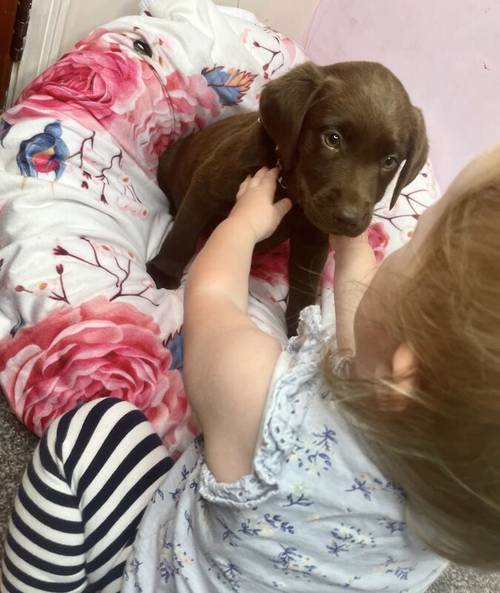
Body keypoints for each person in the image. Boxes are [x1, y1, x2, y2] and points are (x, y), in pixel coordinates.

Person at [3, 145, 500, 593]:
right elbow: (364, 328)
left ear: (403, 374)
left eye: (411, 244)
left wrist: (244, 223)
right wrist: (349, 243)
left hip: (154, 574)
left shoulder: (271, 411)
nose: (392, 250)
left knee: (96, 432)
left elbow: (213, 299)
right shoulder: (459, 507)